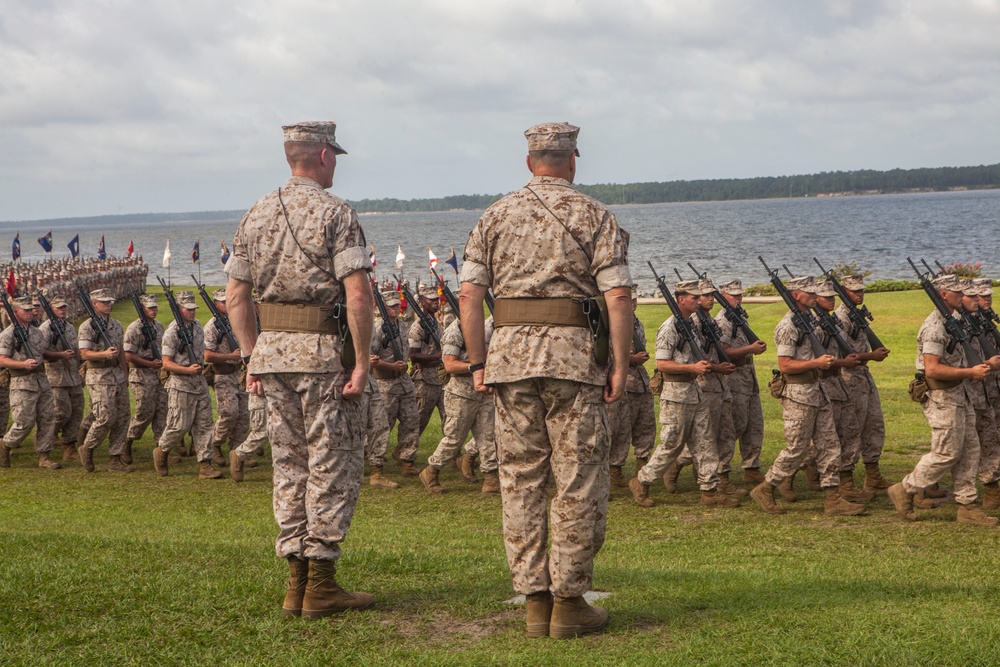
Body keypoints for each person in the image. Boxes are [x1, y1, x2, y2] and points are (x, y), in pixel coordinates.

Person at [460, 122, 632, 639]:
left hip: (509, 360)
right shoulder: (594, 214)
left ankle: (535, 601)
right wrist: (620, 364)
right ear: (573, 158)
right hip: (574, 361)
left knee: (520, 478)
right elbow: (619, 297)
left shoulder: (495, 214)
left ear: (529, 160)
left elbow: (469, 296)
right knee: (578, 477)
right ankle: (570, 601)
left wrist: (477, 363)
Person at [226, 121, 375, 618]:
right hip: (322, 357)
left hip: (272, 355)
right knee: (331, 465)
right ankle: (323, 584)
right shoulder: (336, 212)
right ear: (324, 156)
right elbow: (357, 295)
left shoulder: (256, 213)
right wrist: (362, 362)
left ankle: (296, 584)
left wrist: (252, 358)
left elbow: (235, 297)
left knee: (289, 466)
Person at [748, 276, 865, 516]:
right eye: (809, 292)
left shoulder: (811, 320)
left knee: (830, 445)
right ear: (795, 295)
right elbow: (786, 365)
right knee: (797, 448)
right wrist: (816, 362)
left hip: (818, 391)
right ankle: (766, 487)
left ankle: (833, 499)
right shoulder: (787, 326)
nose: (814, 296)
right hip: (799, 394)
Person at [888, 275, 999, 525]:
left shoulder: (955, 321)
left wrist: (985, 366)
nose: (963, 296)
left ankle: (967, 506)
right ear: (942, 295)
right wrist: (971, 373)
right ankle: (905, 489)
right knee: (947, 452)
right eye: (956, 292)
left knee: (971, 450)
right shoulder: (934, 327)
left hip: (960, 393)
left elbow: (958, 361)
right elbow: (932, 369)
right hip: (941, 396)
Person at [629, 279, 740, 509]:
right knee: (672, 444)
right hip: (675, 393)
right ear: (681, 299)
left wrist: (709, 367)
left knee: (705, 441)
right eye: (694, 297)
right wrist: (691, 369)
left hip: (694, 391)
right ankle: (641, 481)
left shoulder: (690, 325)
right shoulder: (670, 327)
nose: (699, 301)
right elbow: (662, 364)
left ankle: (709, 491)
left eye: (700, 297)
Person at [418, 315, 499, 495]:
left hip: (483, 390)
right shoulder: (455, 331)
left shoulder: (485, 328)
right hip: (460, 392)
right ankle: (431, 471)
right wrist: (475, 367)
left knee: (489, 436)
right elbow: (450, 365)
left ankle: (491, 479)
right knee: (454, 438)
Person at [152, 291, 222, 480]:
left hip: (199, 384)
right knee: (179, 425)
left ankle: (205, 464)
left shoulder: (198, 327)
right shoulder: (172, 332)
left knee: (205, 424)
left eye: (193, 309)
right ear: (179, 309)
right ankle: (162, 451)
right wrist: (186, 370)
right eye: (188, 309)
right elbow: (166, 362)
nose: (192, 312)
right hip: (180, 384)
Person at [832, 274, 892, 491]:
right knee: (850, 428)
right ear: (842, 293)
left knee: (874, 425)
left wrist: (871, 356)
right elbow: (843, 354)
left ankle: (873, 473)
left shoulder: (857, 315)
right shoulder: (839, 319)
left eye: (861, 290)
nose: (859, 294)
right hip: (849, 378)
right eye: (854, 291)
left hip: (863, 376)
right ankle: (845, 479)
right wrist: (871, 356)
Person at [714, 280, 767, 486]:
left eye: (739, 295)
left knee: (754, 424)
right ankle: (720, 470)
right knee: (734, 424)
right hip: (734, 377)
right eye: (733, 295)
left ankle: (752, 467)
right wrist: (750, 350)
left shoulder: (737, 317)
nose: (738, 298)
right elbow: (723, 352)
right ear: (723, 296)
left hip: (748, 376)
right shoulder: (723, 321)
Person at [0, 297, 59, 470]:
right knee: (24, 422)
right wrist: (22, 364)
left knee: (48, 418)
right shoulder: (7, 335)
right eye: (26, 310)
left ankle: (44, 455)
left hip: (41, 380)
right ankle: (6, 445)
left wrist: (60, 355)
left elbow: (42, 352)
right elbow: (3, 359)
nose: (31, 312)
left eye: (31, 309)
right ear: (15, 312)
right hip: (22, 381)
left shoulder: (36, 331)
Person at [77, 288, 131, 473]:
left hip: (117, 375)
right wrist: (104, 354)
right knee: (105, 416)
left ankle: (115, 458)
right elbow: (84, 353)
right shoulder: (87, 326)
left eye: (110, 302)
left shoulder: (116, 325)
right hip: (99, 376)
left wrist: (125, 374)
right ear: (94, 304)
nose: (108, 305)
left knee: (123, 417)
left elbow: (121, 352)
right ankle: (88, 447)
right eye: (104, 302)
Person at [607, 284, 655, 488]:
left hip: (641, 383)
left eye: (635, 300)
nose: (633, 304)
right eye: (630, 300)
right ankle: (614, 469)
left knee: (645, 426)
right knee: (621, 429)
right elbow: (608, 354)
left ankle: (642, 467)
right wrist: (631, 359)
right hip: (624, 383)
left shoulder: (637, 324)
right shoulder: (612, 323)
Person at [373, 291, 420, 476]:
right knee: (383, 425)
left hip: (404, 381)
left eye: (397, 305)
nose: (396, 308)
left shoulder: (401, 324)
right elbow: (371, 359)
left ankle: (406, 460)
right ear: (383, 307)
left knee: (411, 420)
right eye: (392, 305)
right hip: (386, 383)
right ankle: (376, 465)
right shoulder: (378, 328)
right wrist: (391, 365)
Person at [204, 287, 250, 466]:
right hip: (222, 374)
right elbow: (207, 356)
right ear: (216, 305)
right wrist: (230, 357)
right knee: (229, 413)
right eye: (223, 302)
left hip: (238, 374)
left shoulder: (234, 321)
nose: (227, 305)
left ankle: (237, 451)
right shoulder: (212, 326)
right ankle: (215, 444)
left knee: (244, 415)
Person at [38, 296, 84, 463]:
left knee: (76, 413)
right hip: (56, 377)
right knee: (61, 413)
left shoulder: (70, 327)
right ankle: (44, 436)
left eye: (64, 307)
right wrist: (60, 355)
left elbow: (76, 350)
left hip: (73, 376)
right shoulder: (45, 329)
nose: (63, 310)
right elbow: (41, 353)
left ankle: (70, 447)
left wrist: (80, 369)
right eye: (59, 308)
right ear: (51, 309)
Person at [123, 293, 167, 464]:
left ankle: (161, 449)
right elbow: (128, 355)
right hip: (141, 375)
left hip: (158, 375)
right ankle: (128, 441)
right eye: (150, 307)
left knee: (162, 412)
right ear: (143, 309)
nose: (153, 310)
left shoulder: (159, 327)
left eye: (155, 307)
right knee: (144, 412)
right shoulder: (134, 328)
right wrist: (149, 364)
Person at [409, 285, 446, 440]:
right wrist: (436, 356)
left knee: (449, 417)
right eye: (431, 300)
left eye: (436, 300)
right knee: (419, 420)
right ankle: (406, 454)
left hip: (441, 377)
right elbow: (413, 356)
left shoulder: (436, 323)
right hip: (425, 379)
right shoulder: (418, 327)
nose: (436, 303)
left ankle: (453, 456)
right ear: (422, 303)